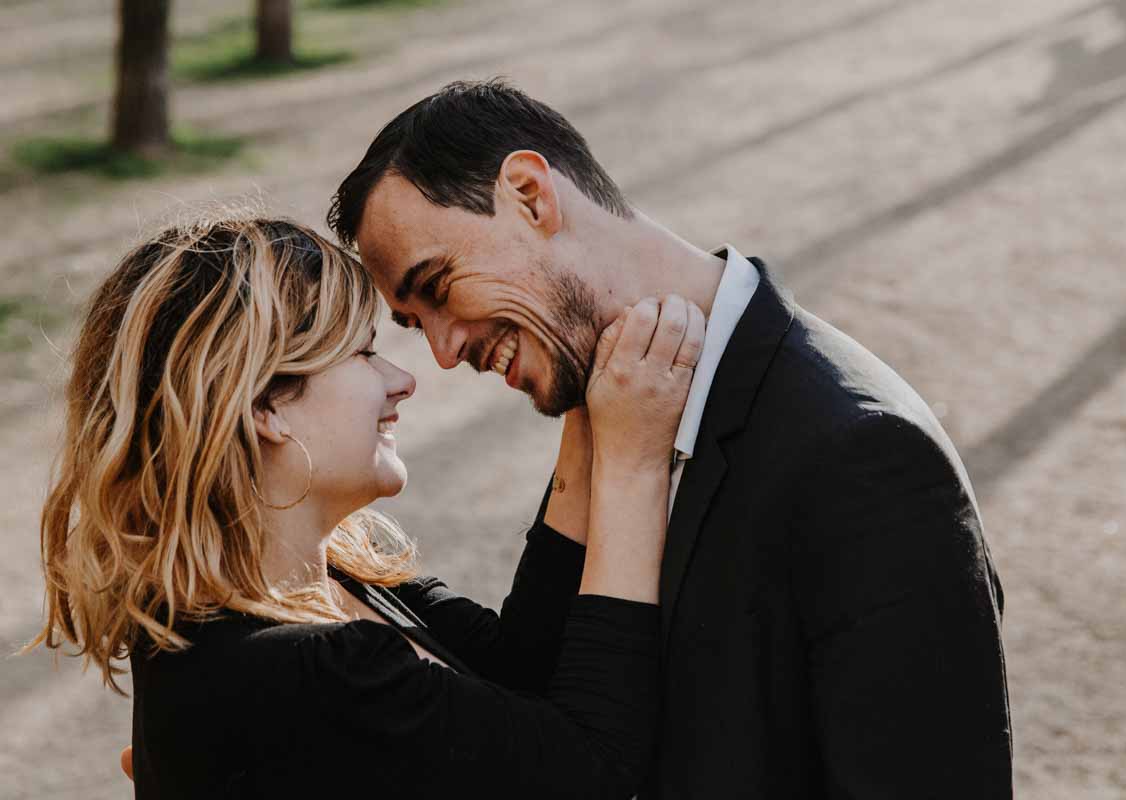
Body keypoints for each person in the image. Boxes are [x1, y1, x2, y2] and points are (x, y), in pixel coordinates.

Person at [326, 78, 1014, 798]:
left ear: (530, 195)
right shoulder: (616, 415)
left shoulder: (862, 457)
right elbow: (550, 689)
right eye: (413, 324)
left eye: (437, 288)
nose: (442, 352)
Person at [30, 215, 705, 798]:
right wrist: (634, 460)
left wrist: (584, 390)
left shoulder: (338, 584)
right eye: (364, 353)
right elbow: (592, 770)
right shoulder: (305, 671)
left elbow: (525, 670)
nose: (403, 379)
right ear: (264, 405)